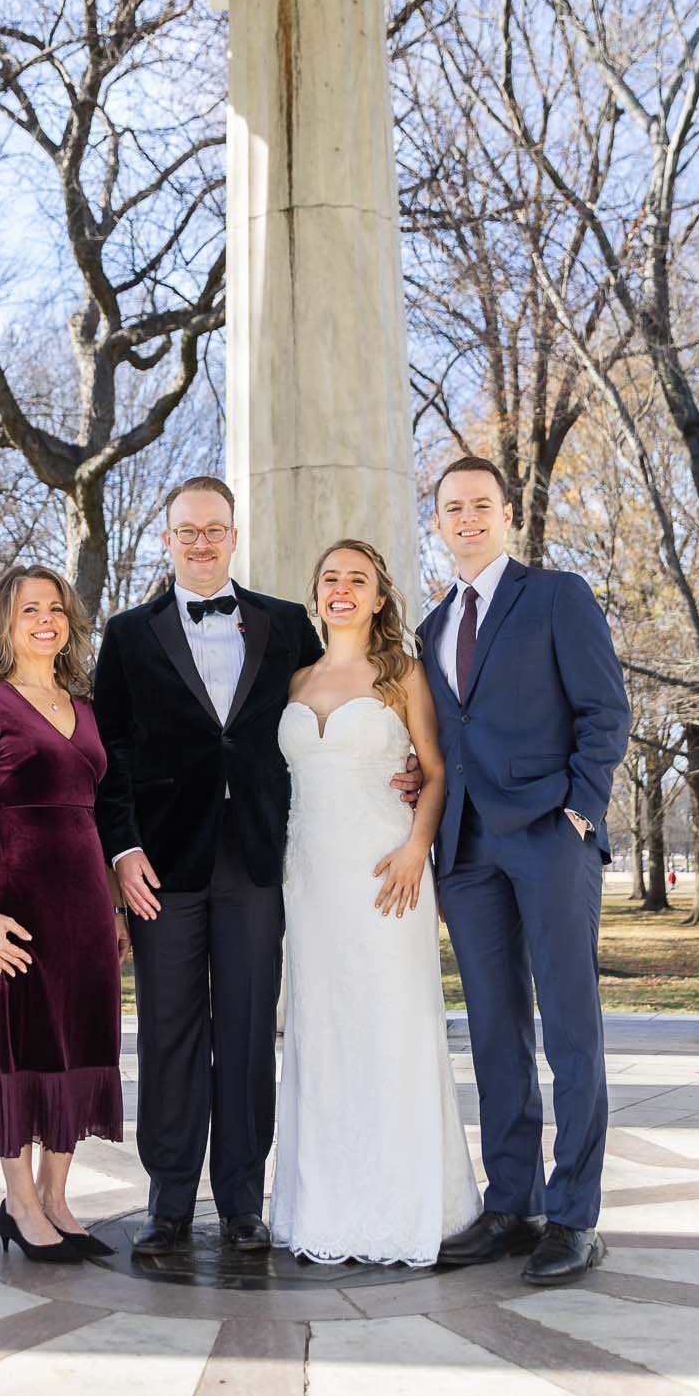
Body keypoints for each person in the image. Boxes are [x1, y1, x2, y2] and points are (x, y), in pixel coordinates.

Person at [91, 476, 322, 1258]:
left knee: (251, 1030)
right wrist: (121, 851)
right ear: (167, 539)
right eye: (185, 530)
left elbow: (327, 717)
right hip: (162, 865)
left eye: (213, 529)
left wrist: (398, 765)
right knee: (168, 1030)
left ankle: (240, 1201)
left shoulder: (288, 625)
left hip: (259, 858)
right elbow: (108, 756)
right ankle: (167, 1199)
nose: (199, 541)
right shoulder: (127, 635)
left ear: (233, 535)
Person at [422, 455, 631, 1286]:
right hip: (467, 852)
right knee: (495, 1032)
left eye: (481, 504)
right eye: (451, 508)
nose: (466, 518)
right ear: (436, 522)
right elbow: (449, 738)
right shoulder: (433, 625)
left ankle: (574, 1213)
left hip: (548, 835)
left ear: (508, 513)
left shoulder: (556, 596)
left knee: (570, 1031)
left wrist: (580, 811)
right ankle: (513, 1201)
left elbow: (604, 709)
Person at [273, 540, 479, 1265]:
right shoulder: (294, 679)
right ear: (317, 591)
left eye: (357, 580)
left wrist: (418, 846)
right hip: (311, 882)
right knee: (323, 1037)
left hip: (386, 874)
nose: (342, 589)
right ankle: (327, 1207)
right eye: (330, 577)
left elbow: (435, 769)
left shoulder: (402, 674)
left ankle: (404, 1206)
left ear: (379, 596)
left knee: (392, 1029)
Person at [0, 565, 127, 1264]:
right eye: (30, 610)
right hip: (18, 905)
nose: (46, 620)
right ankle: (18, 1203)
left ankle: (57, 1196)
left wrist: (112, 907)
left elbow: (99, 813)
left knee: (80, 1047)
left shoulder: (84, 704)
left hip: (85, 902)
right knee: (22, 1048)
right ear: (6, 622)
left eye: (56, 608)